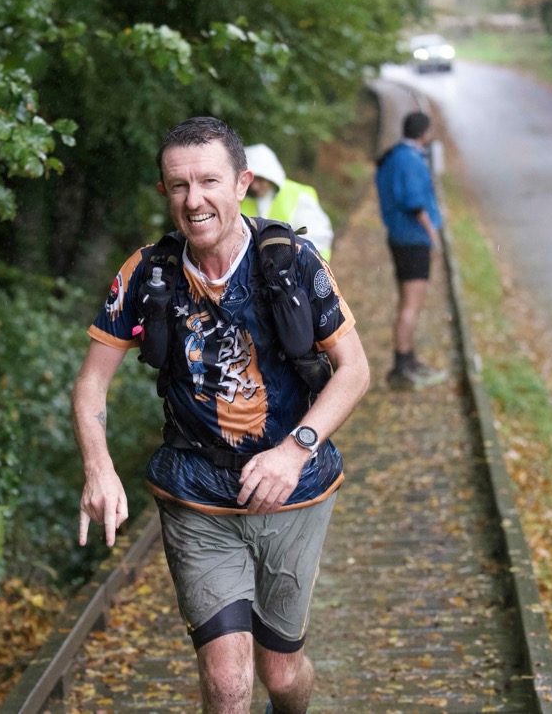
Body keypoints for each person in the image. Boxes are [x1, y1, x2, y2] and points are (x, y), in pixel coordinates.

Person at [74, 117, 370, 714]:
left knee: (281, 675)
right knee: (228, 684)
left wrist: (295, 449)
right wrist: (98, 468)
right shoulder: (147, 274)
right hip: (197, 494)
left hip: (295, 491)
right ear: (164, 192)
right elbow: (90, 385)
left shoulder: (292, 262)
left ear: (242, 183)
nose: (194, 200)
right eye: (179, 185)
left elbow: (355, 370)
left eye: (209, 181)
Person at [375, 110, 449, 391]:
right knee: (411, 305)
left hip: (400, 236)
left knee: (407, 302)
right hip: (413, 238)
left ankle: (407, 359)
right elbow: (414, 202)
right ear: (424, 132)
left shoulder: (395, 156)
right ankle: (403, 365)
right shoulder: (409, 159)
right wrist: (433, 236)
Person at [239, 143, 334, 259]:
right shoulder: (244, 200)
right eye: (251, 181)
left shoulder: (297, 196)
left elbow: (319, 237)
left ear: (270, 175)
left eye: (260, 180)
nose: (255, 187)